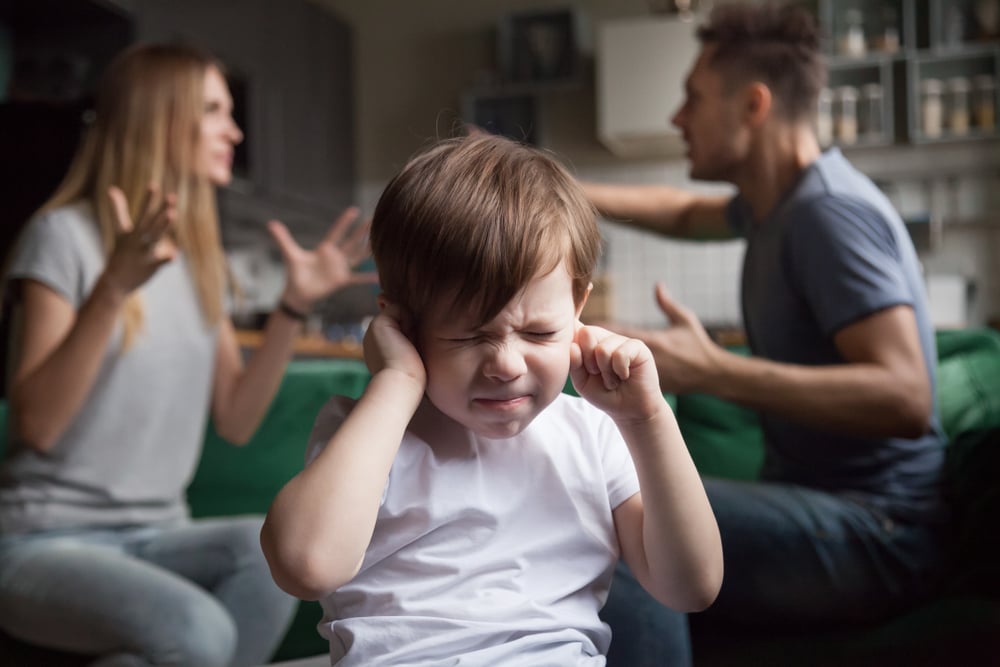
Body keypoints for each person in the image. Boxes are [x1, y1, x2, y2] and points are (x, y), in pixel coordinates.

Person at [259, 133, 724, 666]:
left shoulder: (595, 434)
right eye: (468, 335)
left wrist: (647, 418)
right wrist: (397, 383)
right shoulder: (368, 435)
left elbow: (692, 586)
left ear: (578, 307)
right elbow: (303, 566)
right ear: (401, 323)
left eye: (539, 333)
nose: (506, 363)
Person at [582, 2, 949, 664]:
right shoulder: (774, 206)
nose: (677, 118)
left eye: (693, 98)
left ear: (753, 105)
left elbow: (908, 396)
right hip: (835, 513)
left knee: (627, 523)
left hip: (879, 532)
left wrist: (712, 369)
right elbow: (682, 210)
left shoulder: (826, 213)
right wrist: (555, 187)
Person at [0, 43, 376, 667]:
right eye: (212, 110)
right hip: (43, 541)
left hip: (159, 533)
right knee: (197, 629)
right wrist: (113, 288)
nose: (234, 130)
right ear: (158, 119)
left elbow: (235, 417)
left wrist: (291, 306)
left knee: (269, 556)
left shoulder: (200, 258)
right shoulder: (62, 236)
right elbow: (37, 424)